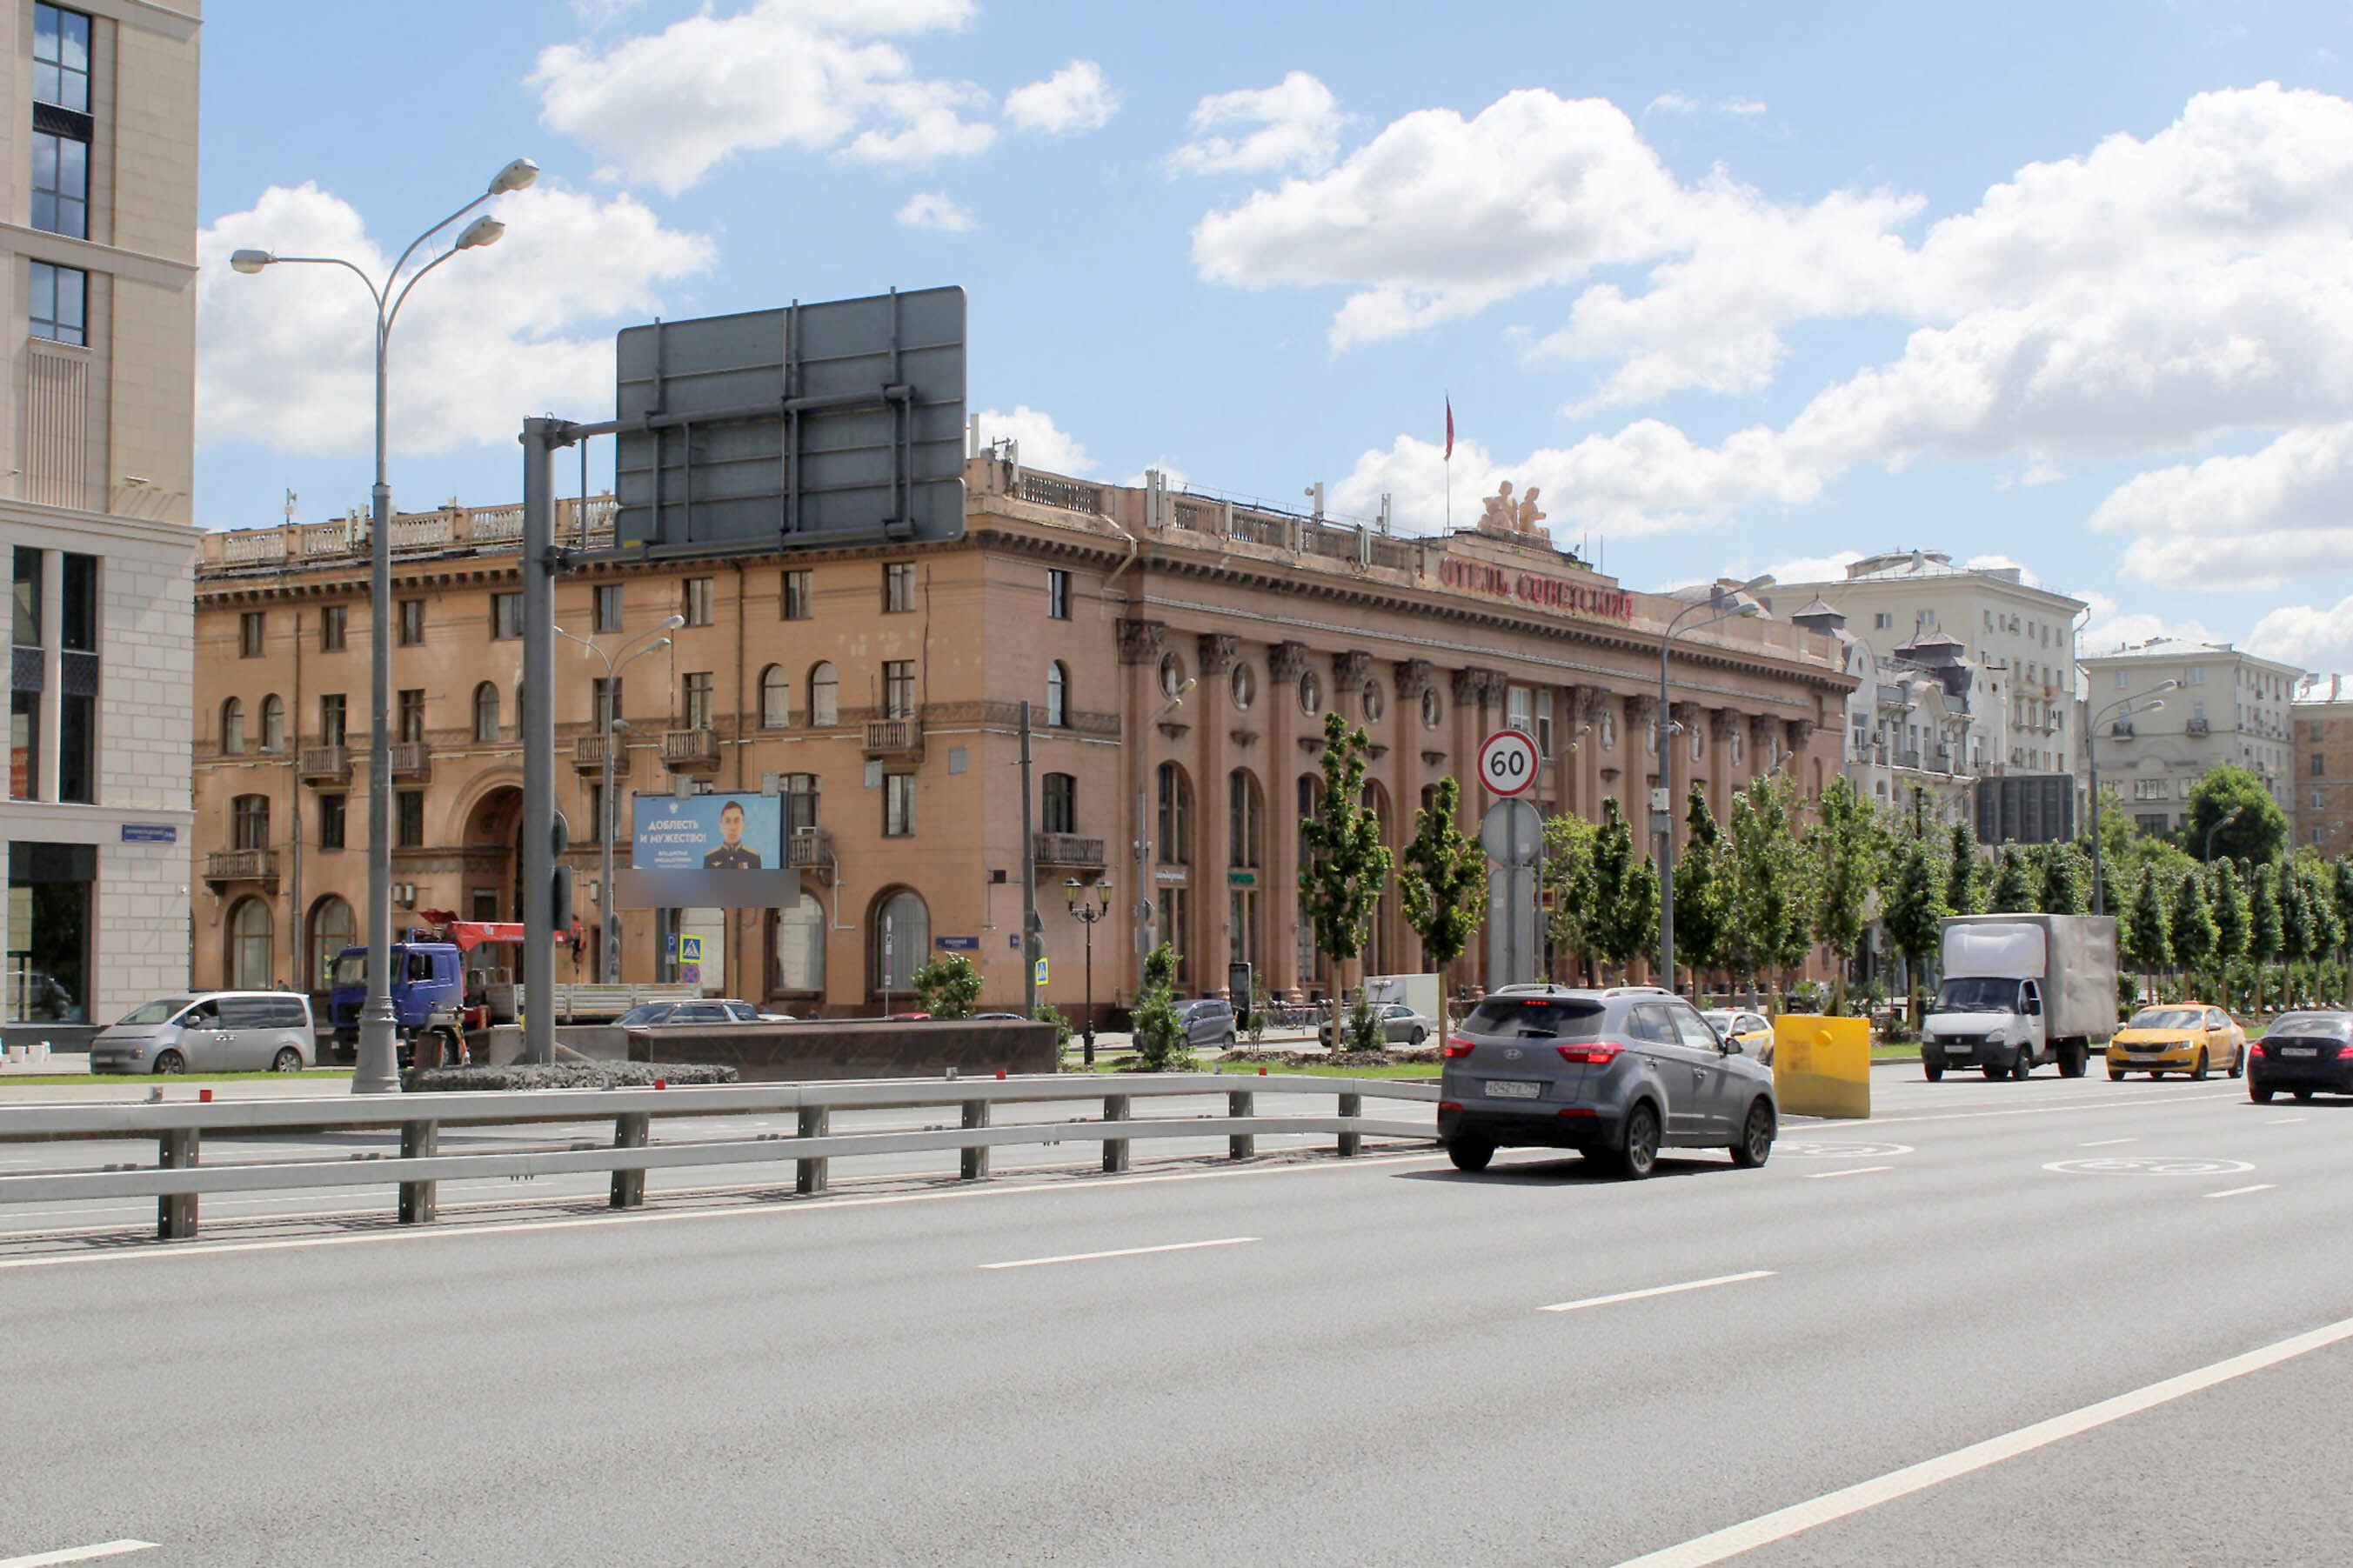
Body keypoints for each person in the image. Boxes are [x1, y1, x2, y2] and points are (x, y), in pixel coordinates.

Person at [703, 799, 763, 869]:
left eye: (737, 821)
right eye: (728, 821)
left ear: (743, 826)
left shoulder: (754, 858)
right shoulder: (710, 858)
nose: (732, 827)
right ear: (721, 827)